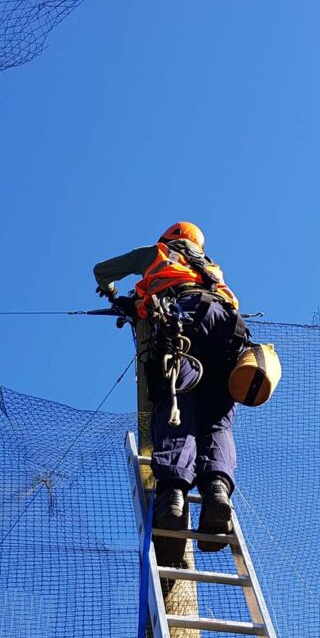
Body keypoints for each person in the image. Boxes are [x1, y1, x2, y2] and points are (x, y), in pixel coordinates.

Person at [94, 222, 247, 561]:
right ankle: (217, 492)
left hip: (184, 326)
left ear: (168, 238)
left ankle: (173, 496)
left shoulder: (158, 254)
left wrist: (112, 293)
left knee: (178, 405)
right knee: (217, 421)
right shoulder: (210, 268)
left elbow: (102, 271)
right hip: (228, 332)